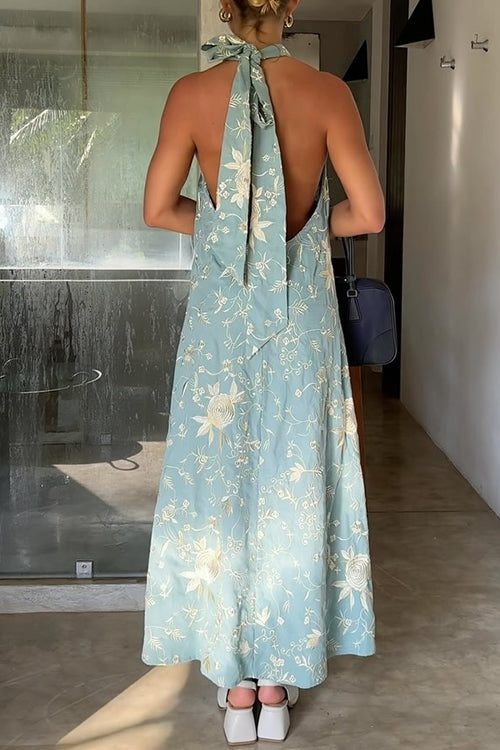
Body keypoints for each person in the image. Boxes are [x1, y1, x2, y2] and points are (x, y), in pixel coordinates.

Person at [141, 0, 385, 744]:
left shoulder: (190, 94)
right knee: (290, 481)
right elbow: (369, 215)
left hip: (221, 322)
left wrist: (233, 231)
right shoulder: (328, 94)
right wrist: (296, 236)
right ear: (291, 7)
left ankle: (235, 680)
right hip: (299, 321)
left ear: (224, 8)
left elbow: (158, 209)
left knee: (221, 486)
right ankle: (276, 684)